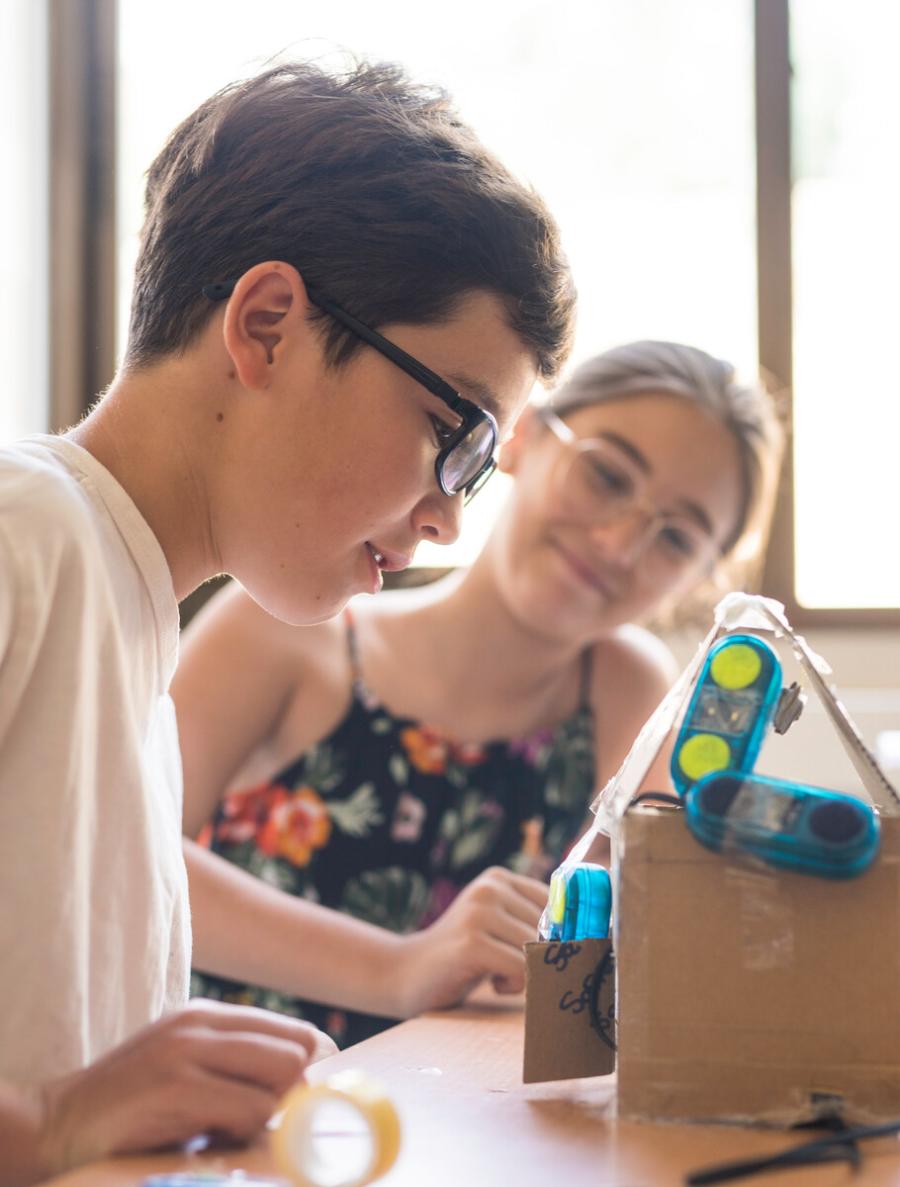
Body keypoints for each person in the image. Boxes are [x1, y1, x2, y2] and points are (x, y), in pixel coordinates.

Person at [0, 59, 575, 1183]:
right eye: (453, 435)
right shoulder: (26, 531)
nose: (448, 520)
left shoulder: (124, 604)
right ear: (267, 325)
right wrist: (47, 1126)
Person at [175, 339, 783, 1048]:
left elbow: (632, 956)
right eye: (607, 476)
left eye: (676, 538)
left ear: (697, 583)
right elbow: (132, 858)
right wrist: (400, 966)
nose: (620, 544)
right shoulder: (286, 631)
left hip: (472, 1129)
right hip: (238, 1113)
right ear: (521, 437)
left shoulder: (632, 692)